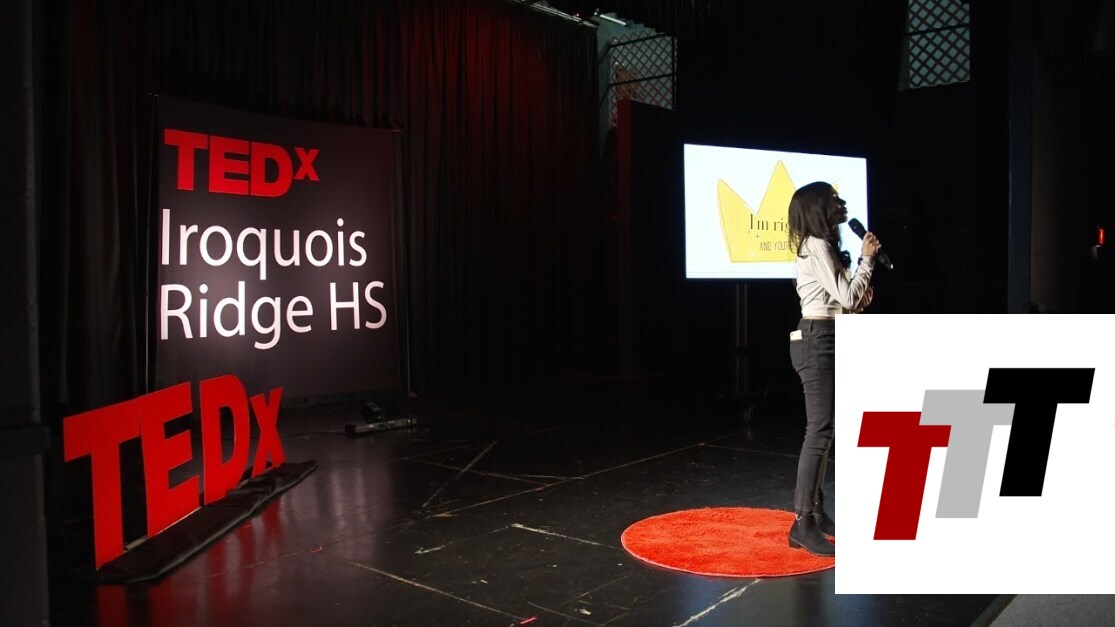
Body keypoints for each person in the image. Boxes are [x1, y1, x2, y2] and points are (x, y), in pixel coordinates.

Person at [785, 181, 881, 557]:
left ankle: (816, 513)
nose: (842, 203)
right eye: (834, 199)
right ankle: (802, 522)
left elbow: (847, 301)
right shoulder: (816, 244)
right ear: (819, 207)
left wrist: (860, 287)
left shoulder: (823, 246)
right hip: (818, 339)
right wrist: (867, 261)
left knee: (827, 430)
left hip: (830, 334)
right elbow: (848, 296)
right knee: (820, 429)